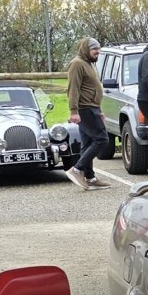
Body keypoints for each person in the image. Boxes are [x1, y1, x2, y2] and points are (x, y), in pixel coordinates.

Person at [65, 37, 111, 190]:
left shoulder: (89, 64)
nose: (97, 52)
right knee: (102, 139)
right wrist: (74, 111)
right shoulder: (77, 64)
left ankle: (90, 178)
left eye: (98, 49)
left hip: (93, 108)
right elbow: (73, 88)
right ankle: (76, 170)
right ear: (85, 49)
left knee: (88, 143)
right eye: (94, 49)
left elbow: (91, 88)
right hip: (85, 109)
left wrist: (99, 110)